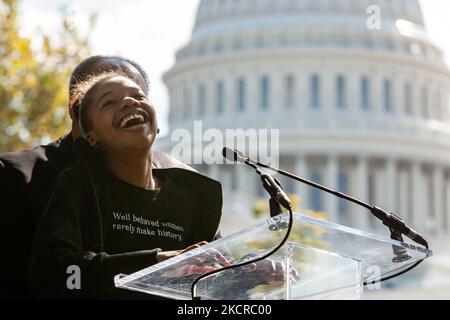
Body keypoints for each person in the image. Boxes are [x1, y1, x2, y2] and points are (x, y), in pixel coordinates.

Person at [0, 55, 206, 299]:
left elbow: (210, 269)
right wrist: (154, 263)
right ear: (78, 115)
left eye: (138, 95)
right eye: (108, 101)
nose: (129, 102)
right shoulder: (24, 176)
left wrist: (247, 269)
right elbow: (47, 276)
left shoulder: (190, 187)